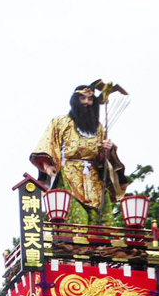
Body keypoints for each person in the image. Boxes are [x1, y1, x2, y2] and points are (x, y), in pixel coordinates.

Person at [30, 83, 129, 224]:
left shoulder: (98, 128)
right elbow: (47, 145)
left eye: (90, 99)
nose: (87, 103)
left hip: (94, 179)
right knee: (78, 218)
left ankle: (101, 246)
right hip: (68, 175)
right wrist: (47, 166)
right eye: (82, 98)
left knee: (100, 219)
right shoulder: (60, 122)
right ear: (75, 100)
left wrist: (107, 150)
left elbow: (102, 160)